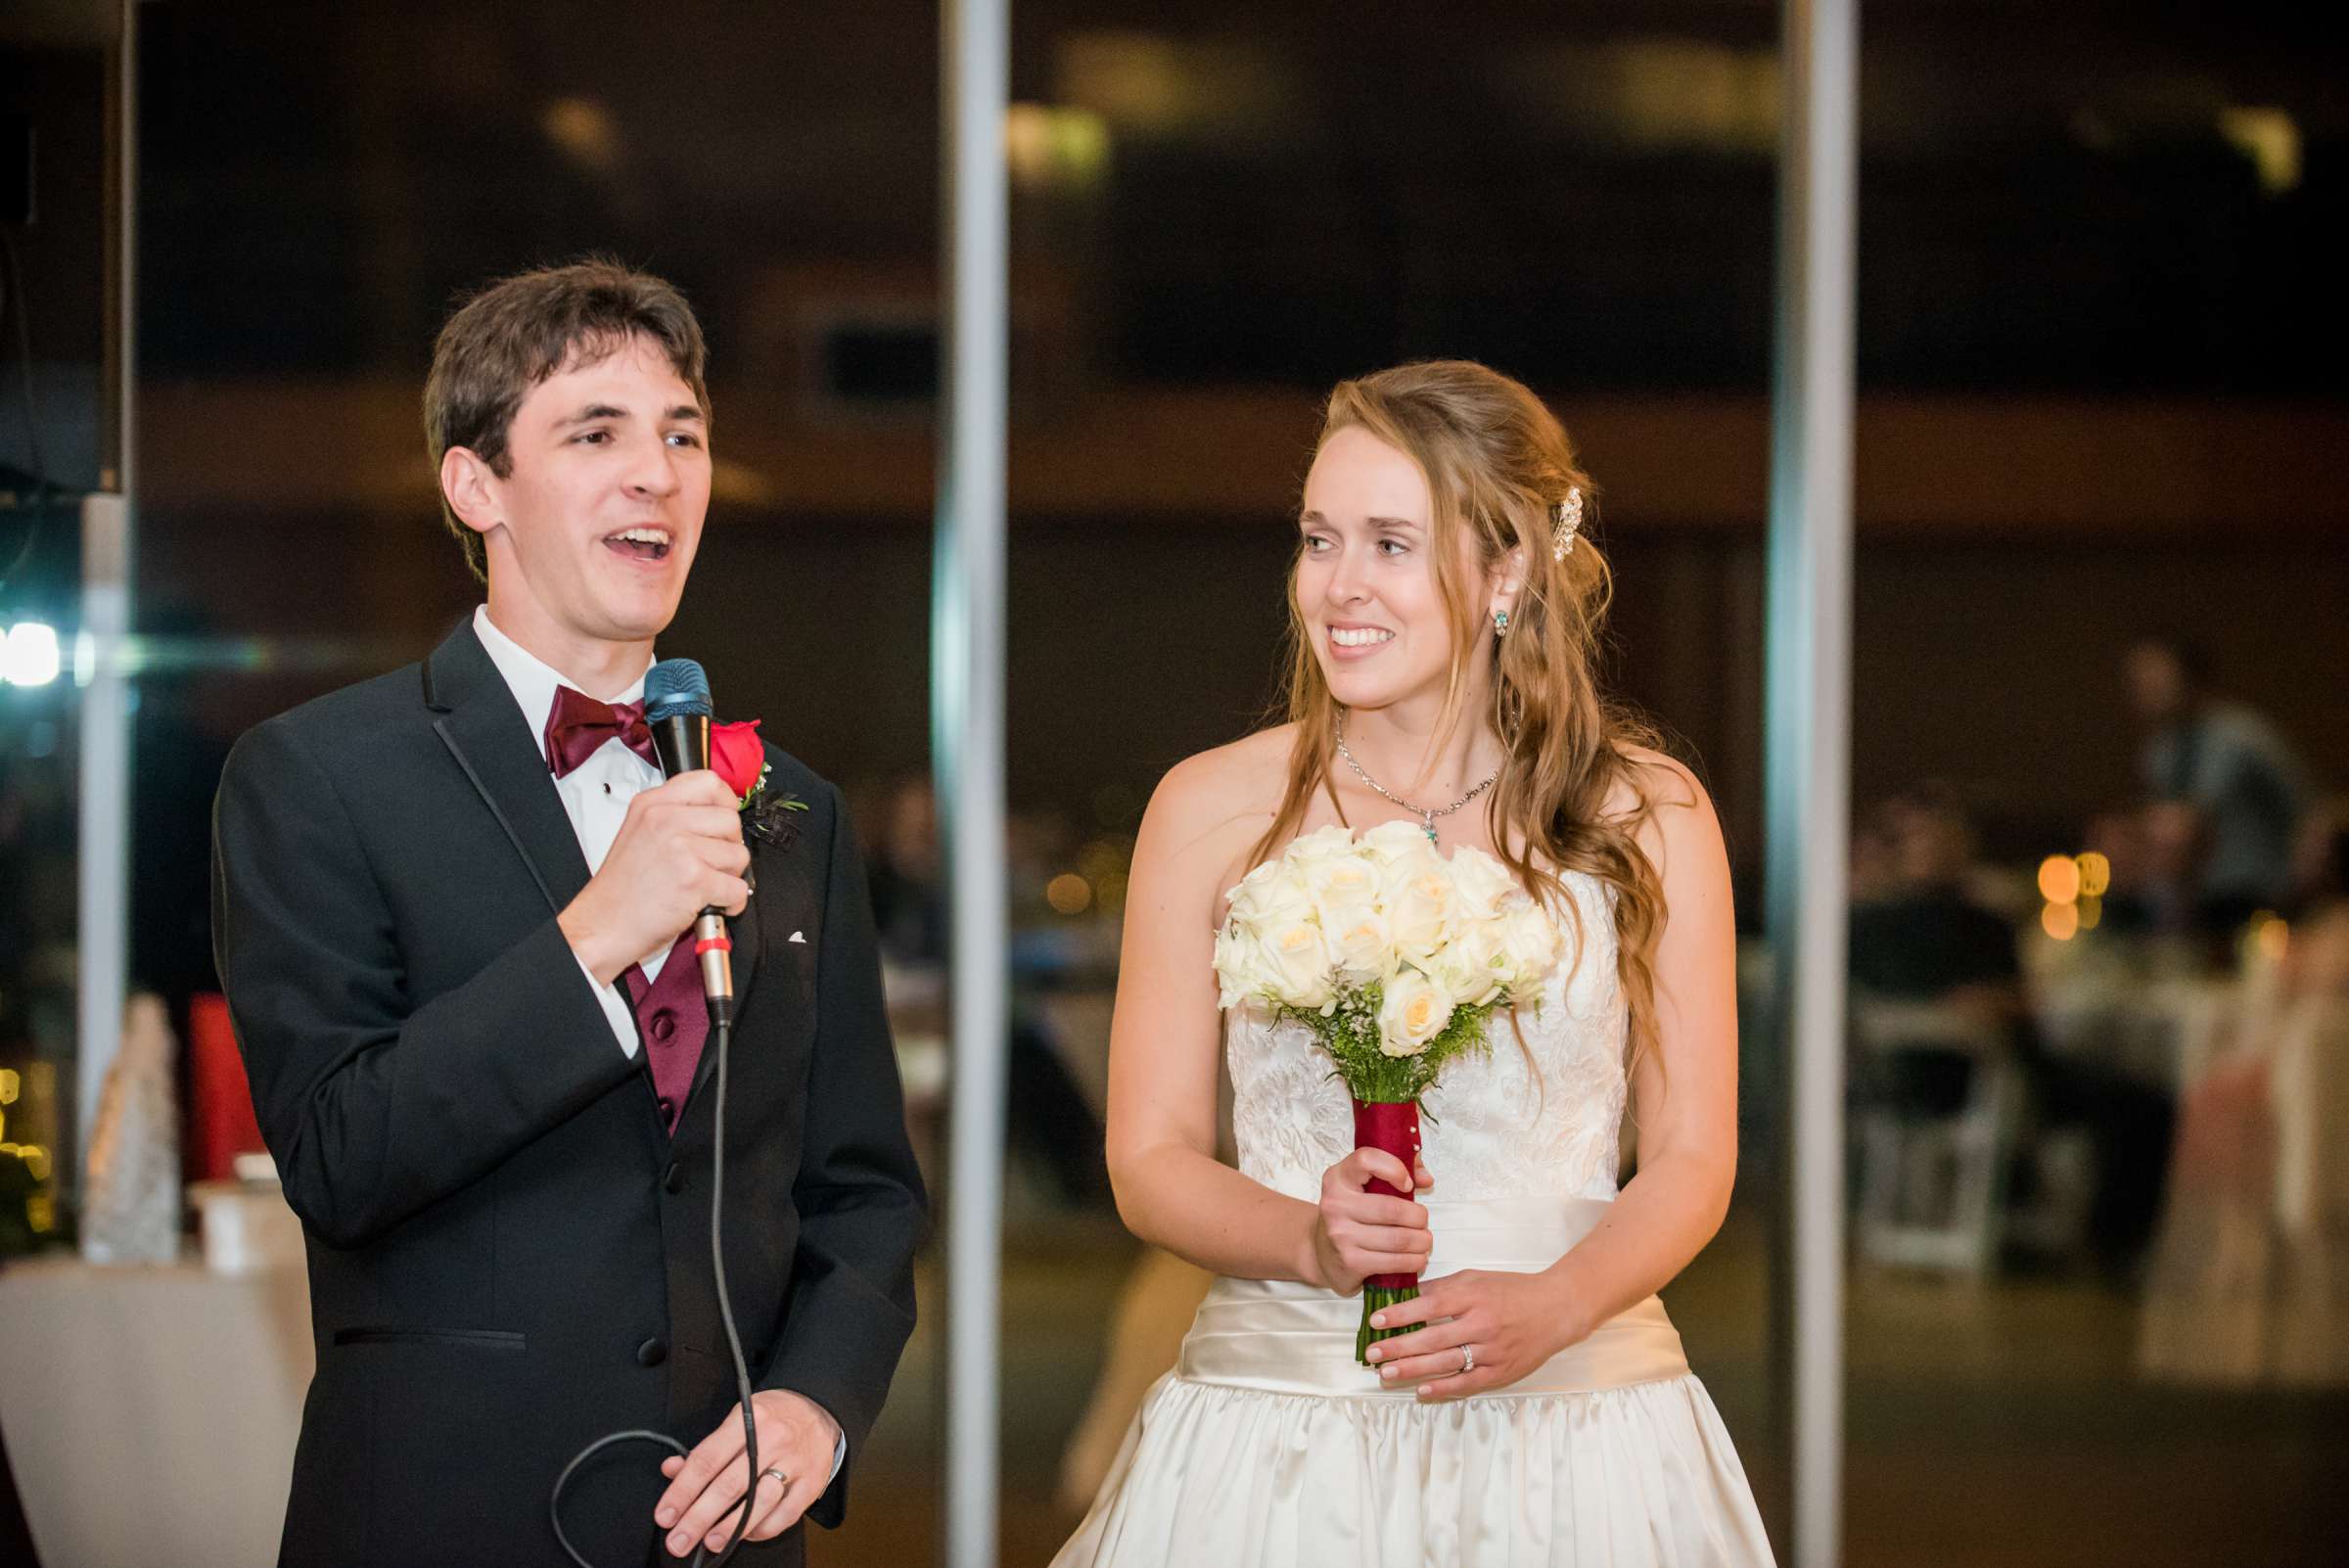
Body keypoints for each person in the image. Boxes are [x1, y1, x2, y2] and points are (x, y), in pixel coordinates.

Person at [210, 261, 925, 1567]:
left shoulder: (794, 808)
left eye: (682, 434)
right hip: (443, 1512)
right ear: (475, 486)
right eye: (595, 432)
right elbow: (338, 1153)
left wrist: (820, 1398)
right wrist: (598, 932)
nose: (655, 470)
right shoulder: (315, 775)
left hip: (724, 1528)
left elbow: (863, 1187)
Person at [1054, 361, 1773, 1566]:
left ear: (1507, 570)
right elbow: (1150, 1156)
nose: (1339, 587)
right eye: (1319, 538)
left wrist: (1562, 1302)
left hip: (1579, 1434)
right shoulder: (1210, 807)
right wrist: (1307, 1241)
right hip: (1280, 1445)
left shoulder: (1650, 815)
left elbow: (1694, 1156)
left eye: (1392, 543)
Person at [2124, 633, 2313, 937]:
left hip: (2260, 897)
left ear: (2188, 675)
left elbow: (2309, 807)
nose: (2145, 685)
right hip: (2198, 904)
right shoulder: (2160, 751)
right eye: (2137, 677)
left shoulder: (2243, 736)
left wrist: (2301, 887)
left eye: (2154, 672)